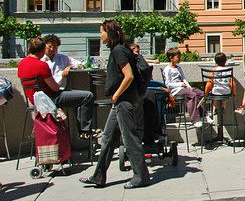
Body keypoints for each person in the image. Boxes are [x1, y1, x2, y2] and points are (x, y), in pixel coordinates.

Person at [80, 20, 150, 189]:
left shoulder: (118, 51)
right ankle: (98, 176)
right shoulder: (119, 49)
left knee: (130, 139)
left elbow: (129, 76)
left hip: (124, 101)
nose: (100, 35)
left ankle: (141, 176)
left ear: (109, 33)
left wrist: (116, 94)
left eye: (101, 32)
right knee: (108, 139)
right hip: (121, 101)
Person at [18, 37, 96, 139]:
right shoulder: (41, 65)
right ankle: (85, 131)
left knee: (75, 98)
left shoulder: (21, 64)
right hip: (49, 100)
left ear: (29, 49)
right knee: (87, 96)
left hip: (35, 101)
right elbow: (55, 88)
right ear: (42, 51)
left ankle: (82, 130)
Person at [163, 47, 211, 128]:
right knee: (192, 95)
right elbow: (167, 84)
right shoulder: (167, 69)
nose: (179, 59)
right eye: (177, 57)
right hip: (176, 90)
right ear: (171, 58)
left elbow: (184, 78)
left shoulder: (178, 68)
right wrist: (180, 85)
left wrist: (189, 86)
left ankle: (203, 114)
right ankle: (195, 119)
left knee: (201, 94)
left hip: (184, 88)